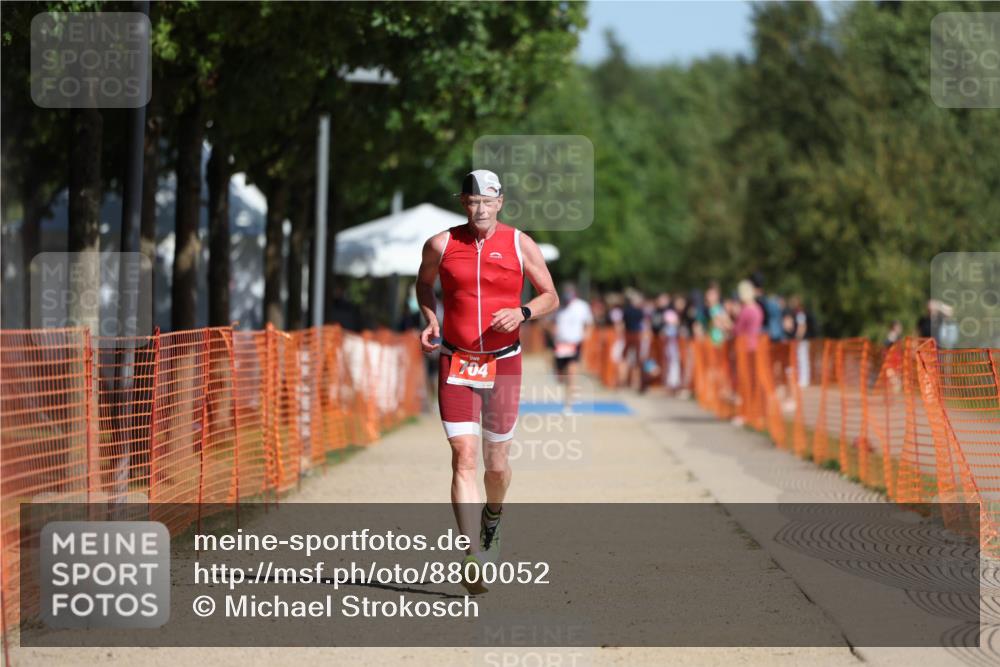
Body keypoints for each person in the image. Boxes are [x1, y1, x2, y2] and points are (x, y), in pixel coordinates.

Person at [415, 169, 558, 594]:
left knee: (496, 467)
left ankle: (492, 520)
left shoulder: (519, 243)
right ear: (464, 203)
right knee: (463, 456)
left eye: (487, 201)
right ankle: (470, 555)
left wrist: (524, 313)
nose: (480, 209)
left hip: (504, 363)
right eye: (472, 202)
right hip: (456, 361)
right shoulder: (441, 243)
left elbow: (550, 294)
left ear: (500, 202)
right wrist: (430, 319)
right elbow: (424, 285)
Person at [549, 282, 594, 413]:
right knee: (560, 377)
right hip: (560, 345)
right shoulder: (558, 306)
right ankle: (560, 377)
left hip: (574, 344)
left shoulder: (582, 306)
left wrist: (586, 335)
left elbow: (589, 323)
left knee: (572, 374)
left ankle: (568, 405)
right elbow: (550, 322)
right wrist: (553, 333)